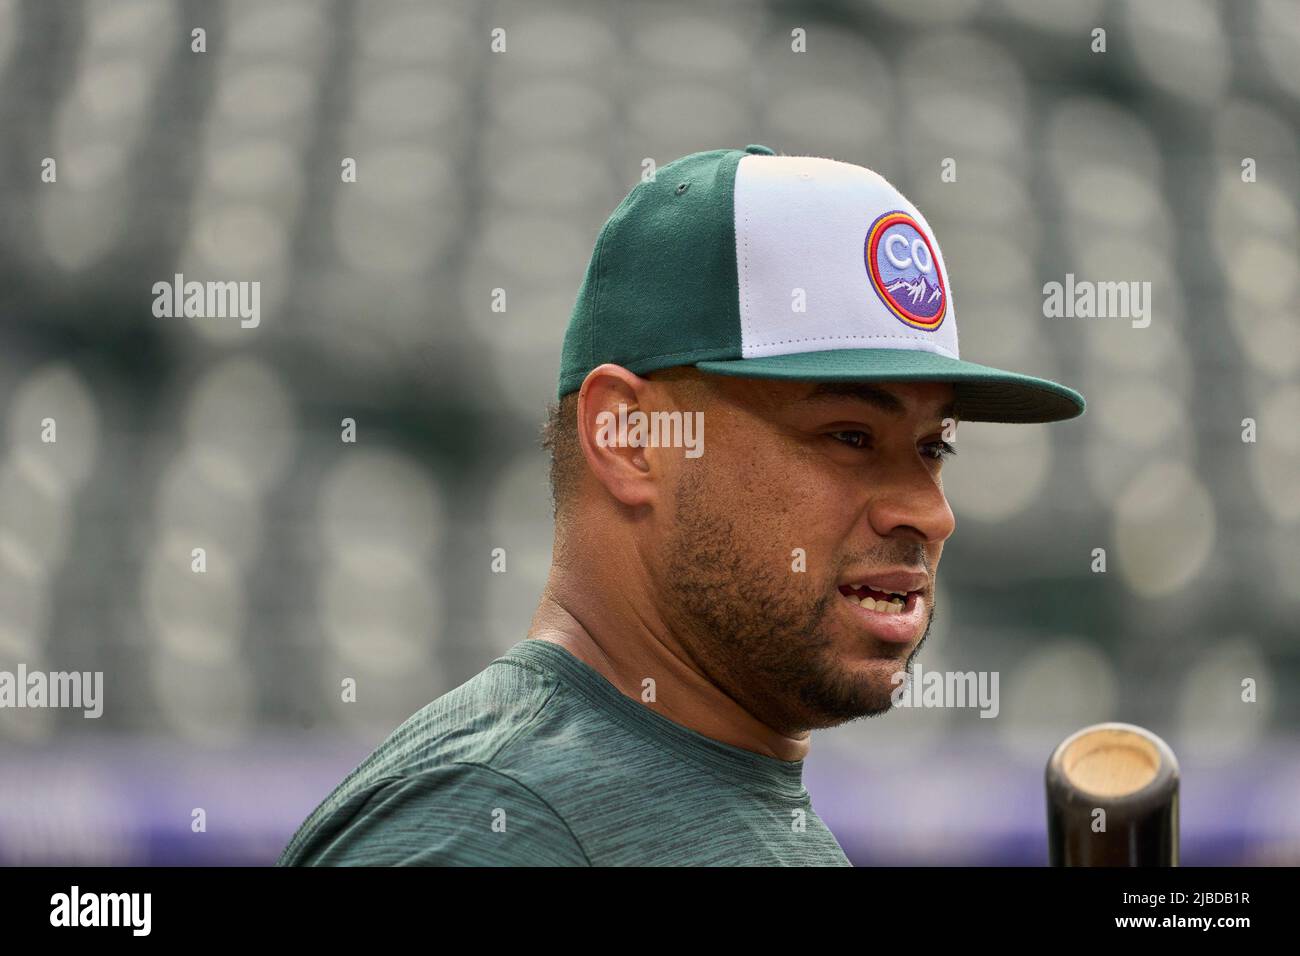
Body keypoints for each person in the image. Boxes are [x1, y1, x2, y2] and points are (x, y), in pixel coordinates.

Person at [277, 145, 1085, 866]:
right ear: (632, 437)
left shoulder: (725, 796)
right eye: (848, 435)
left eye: (932, 448)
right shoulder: (491, 822)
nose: (929, 513)